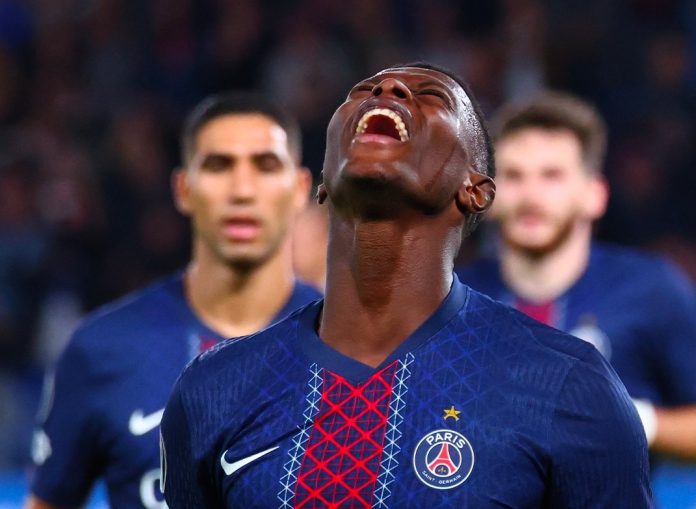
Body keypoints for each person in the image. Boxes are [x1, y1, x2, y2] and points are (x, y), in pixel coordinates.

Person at [160, 63, 651, 508]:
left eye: (432, 96)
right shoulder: (214, 389)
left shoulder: (567, 386)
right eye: (363, 90)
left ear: (475, 191)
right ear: (324, 180)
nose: (388, 89)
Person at [25, 92, 321, 509]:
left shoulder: (347, 342)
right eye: (218, 165)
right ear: (183, 189)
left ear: (300, 189)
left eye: (266, 165)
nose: (242, 190)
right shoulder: (103, 349)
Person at [456, 92, 696, 464]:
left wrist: (640, 421)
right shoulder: (455, 299)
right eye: (514, 176)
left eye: (552, 176)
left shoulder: (652, 290)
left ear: (594, 194)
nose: (531, 195)